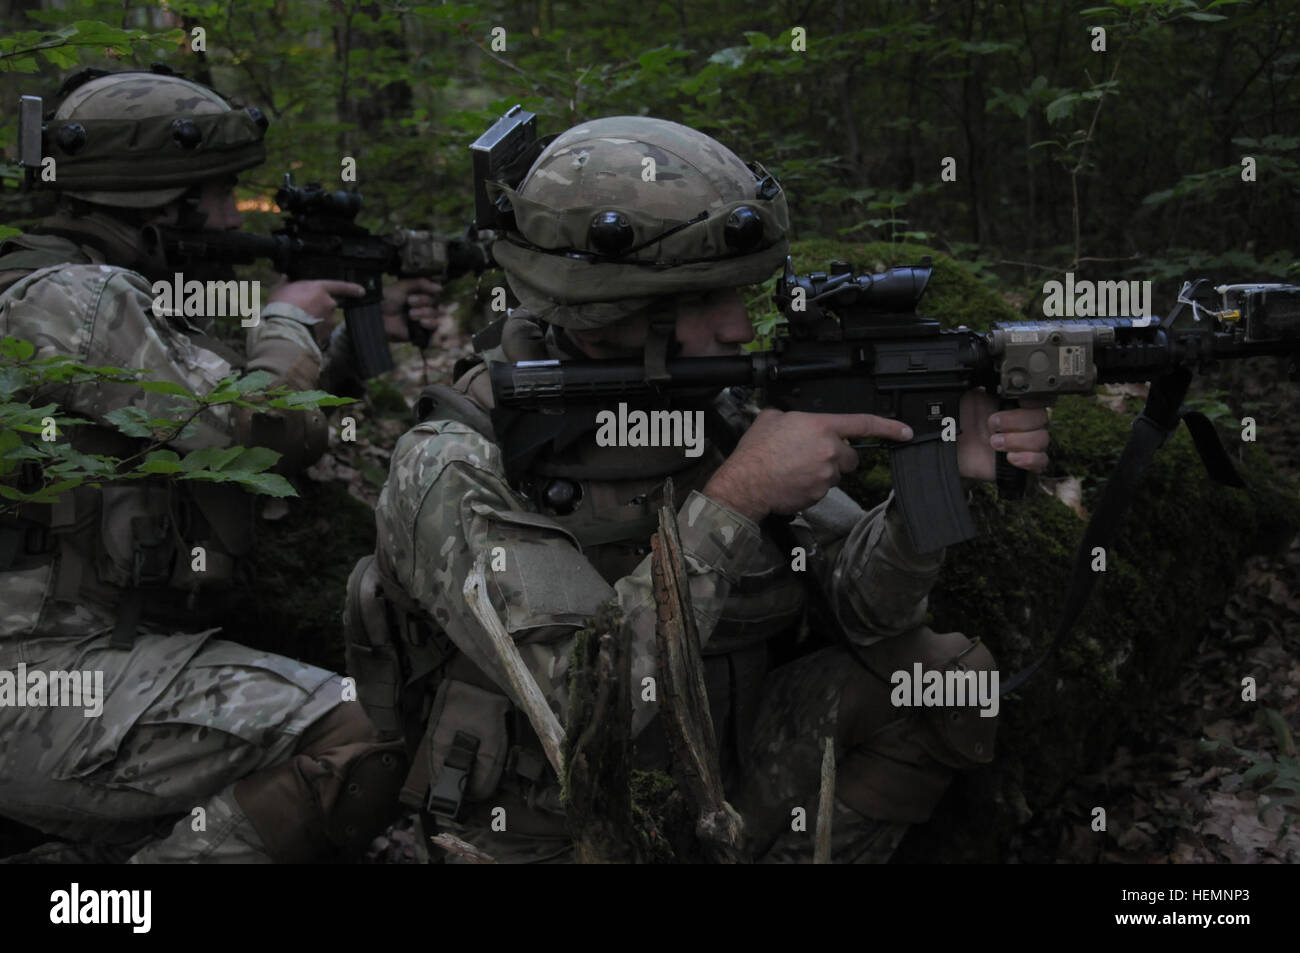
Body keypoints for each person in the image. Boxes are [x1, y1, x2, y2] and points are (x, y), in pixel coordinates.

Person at [347, 116, 1051, 863]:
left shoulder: (713, 406)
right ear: (609, 305)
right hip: (558, 822)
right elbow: (583, 708)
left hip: (723, 775)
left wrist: (926, 490)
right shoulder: (455, 460)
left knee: (940, 680)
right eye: (705, 297)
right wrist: (739, 496)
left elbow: (865, 612)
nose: (741, 327)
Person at [0, 66, 435, 862]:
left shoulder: (88, 290)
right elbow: (246, 436)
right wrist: (284, 319)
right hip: (38, 679)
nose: (239, 216)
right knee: (358, 738)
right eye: (225, 192)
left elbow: (220, 431)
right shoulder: (75, 298)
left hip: (82, 659)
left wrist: (332, 350)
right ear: (167, 201)